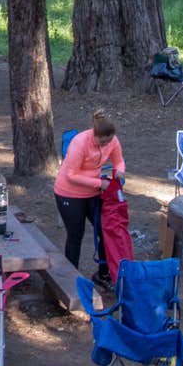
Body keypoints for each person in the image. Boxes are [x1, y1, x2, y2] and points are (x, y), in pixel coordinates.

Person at [54, 110, 126, 284]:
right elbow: (71, 175)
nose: (105, 145)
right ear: (95, 134)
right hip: (69, 193)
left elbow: (118, 161)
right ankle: (70, 279)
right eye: (102, 141)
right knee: (75, 234)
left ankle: (103, 273)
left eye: (108, 141)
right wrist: (99, 184)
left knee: (105, 230)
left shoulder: (112, 141)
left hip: (93, 193)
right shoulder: (80, 143)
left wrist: (120, 172)